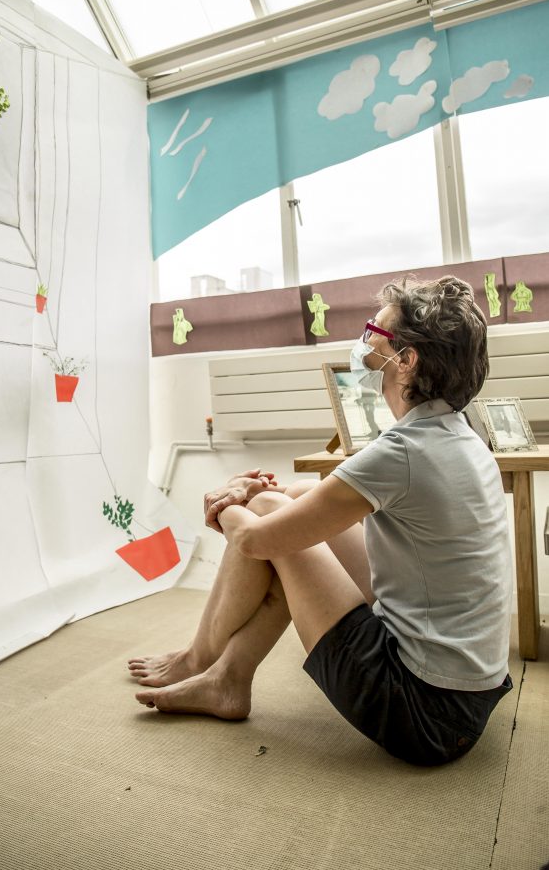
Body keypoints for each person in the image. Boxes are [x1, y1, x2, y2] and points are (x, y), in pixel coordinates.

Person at [129, 276, 514, 766]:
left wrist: (226, 500)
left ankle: (199, 660)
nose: (365, 343)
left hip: (424, 713)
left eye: (375, 331)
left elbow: (253, 541)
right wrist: (260, 494)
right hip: (466, 698)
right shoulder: (455, 435)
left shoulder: (403, 452)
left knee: (271, 517)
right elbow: (316, 500)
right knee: (287, 500)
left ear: (407, 359)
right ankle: (227, 678)